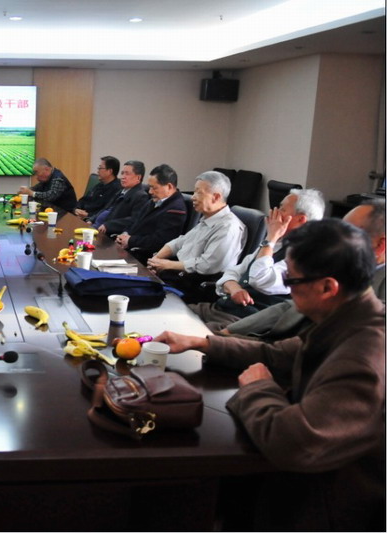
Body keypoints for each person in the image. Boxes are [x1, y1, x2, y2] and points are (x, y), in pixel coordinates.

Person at [154, 219, 385, 530]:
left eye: (291, 279)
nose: (287, 288)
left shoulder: (363, 355)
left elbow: (296, 444)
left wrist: (258, 389)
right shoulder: (348, 318)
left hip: (324, 504)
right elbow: (275, 354)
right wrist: (202, 342)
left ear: (328, 287)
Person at [216, 198, 386, 340]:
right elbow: (288, 308)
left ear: (380, 245)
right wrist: (229, 332)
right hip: (278, 341)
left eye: (350, 234)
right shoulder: (341, 265)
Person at [191, 188, 324, 325]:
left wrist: (271, 237)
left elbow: (260, 279)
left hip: (244, 322)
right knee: (178, 314)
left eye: (282, 210)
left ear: (301, 220)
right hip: (219, 309)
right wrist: (234, 288)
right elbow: (234, 271)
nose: (274, 212)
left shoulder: (306, 258)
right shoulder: (277, 244)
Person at [146, 170, 246, 301]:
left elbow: (207, 265)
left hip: (194, 286)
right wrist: (156, 261)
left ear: (216, 197)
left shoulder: (228, 227)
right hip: (177, 277)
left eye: (199, 192)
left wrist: (167, 265)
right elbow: (179, 242)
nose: (193, 197)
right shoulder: (208, 219)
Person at [114, 164, 187, 261]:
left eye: (154, 188)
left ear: (169, 187)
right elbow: (135, 221)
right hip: (130, 249)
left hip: (144, 257)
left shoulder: (176, 210)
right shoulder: (155, 200)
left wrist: (130, 241)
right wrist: (124, 234)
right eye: (149, 187)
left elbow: (160, 241)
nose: (150, 192)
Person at [93, 160, 150, 234]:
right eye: (122, 173)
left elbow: (134, 220)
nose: (123, 177)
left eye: (127, 174)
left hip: (109, 233)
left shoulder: (141, 196)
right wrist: (91, 219)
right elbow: (106, 209)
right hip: (96, 227)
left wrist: (108, 225)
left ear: (138, 177)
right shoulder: (121, 191)